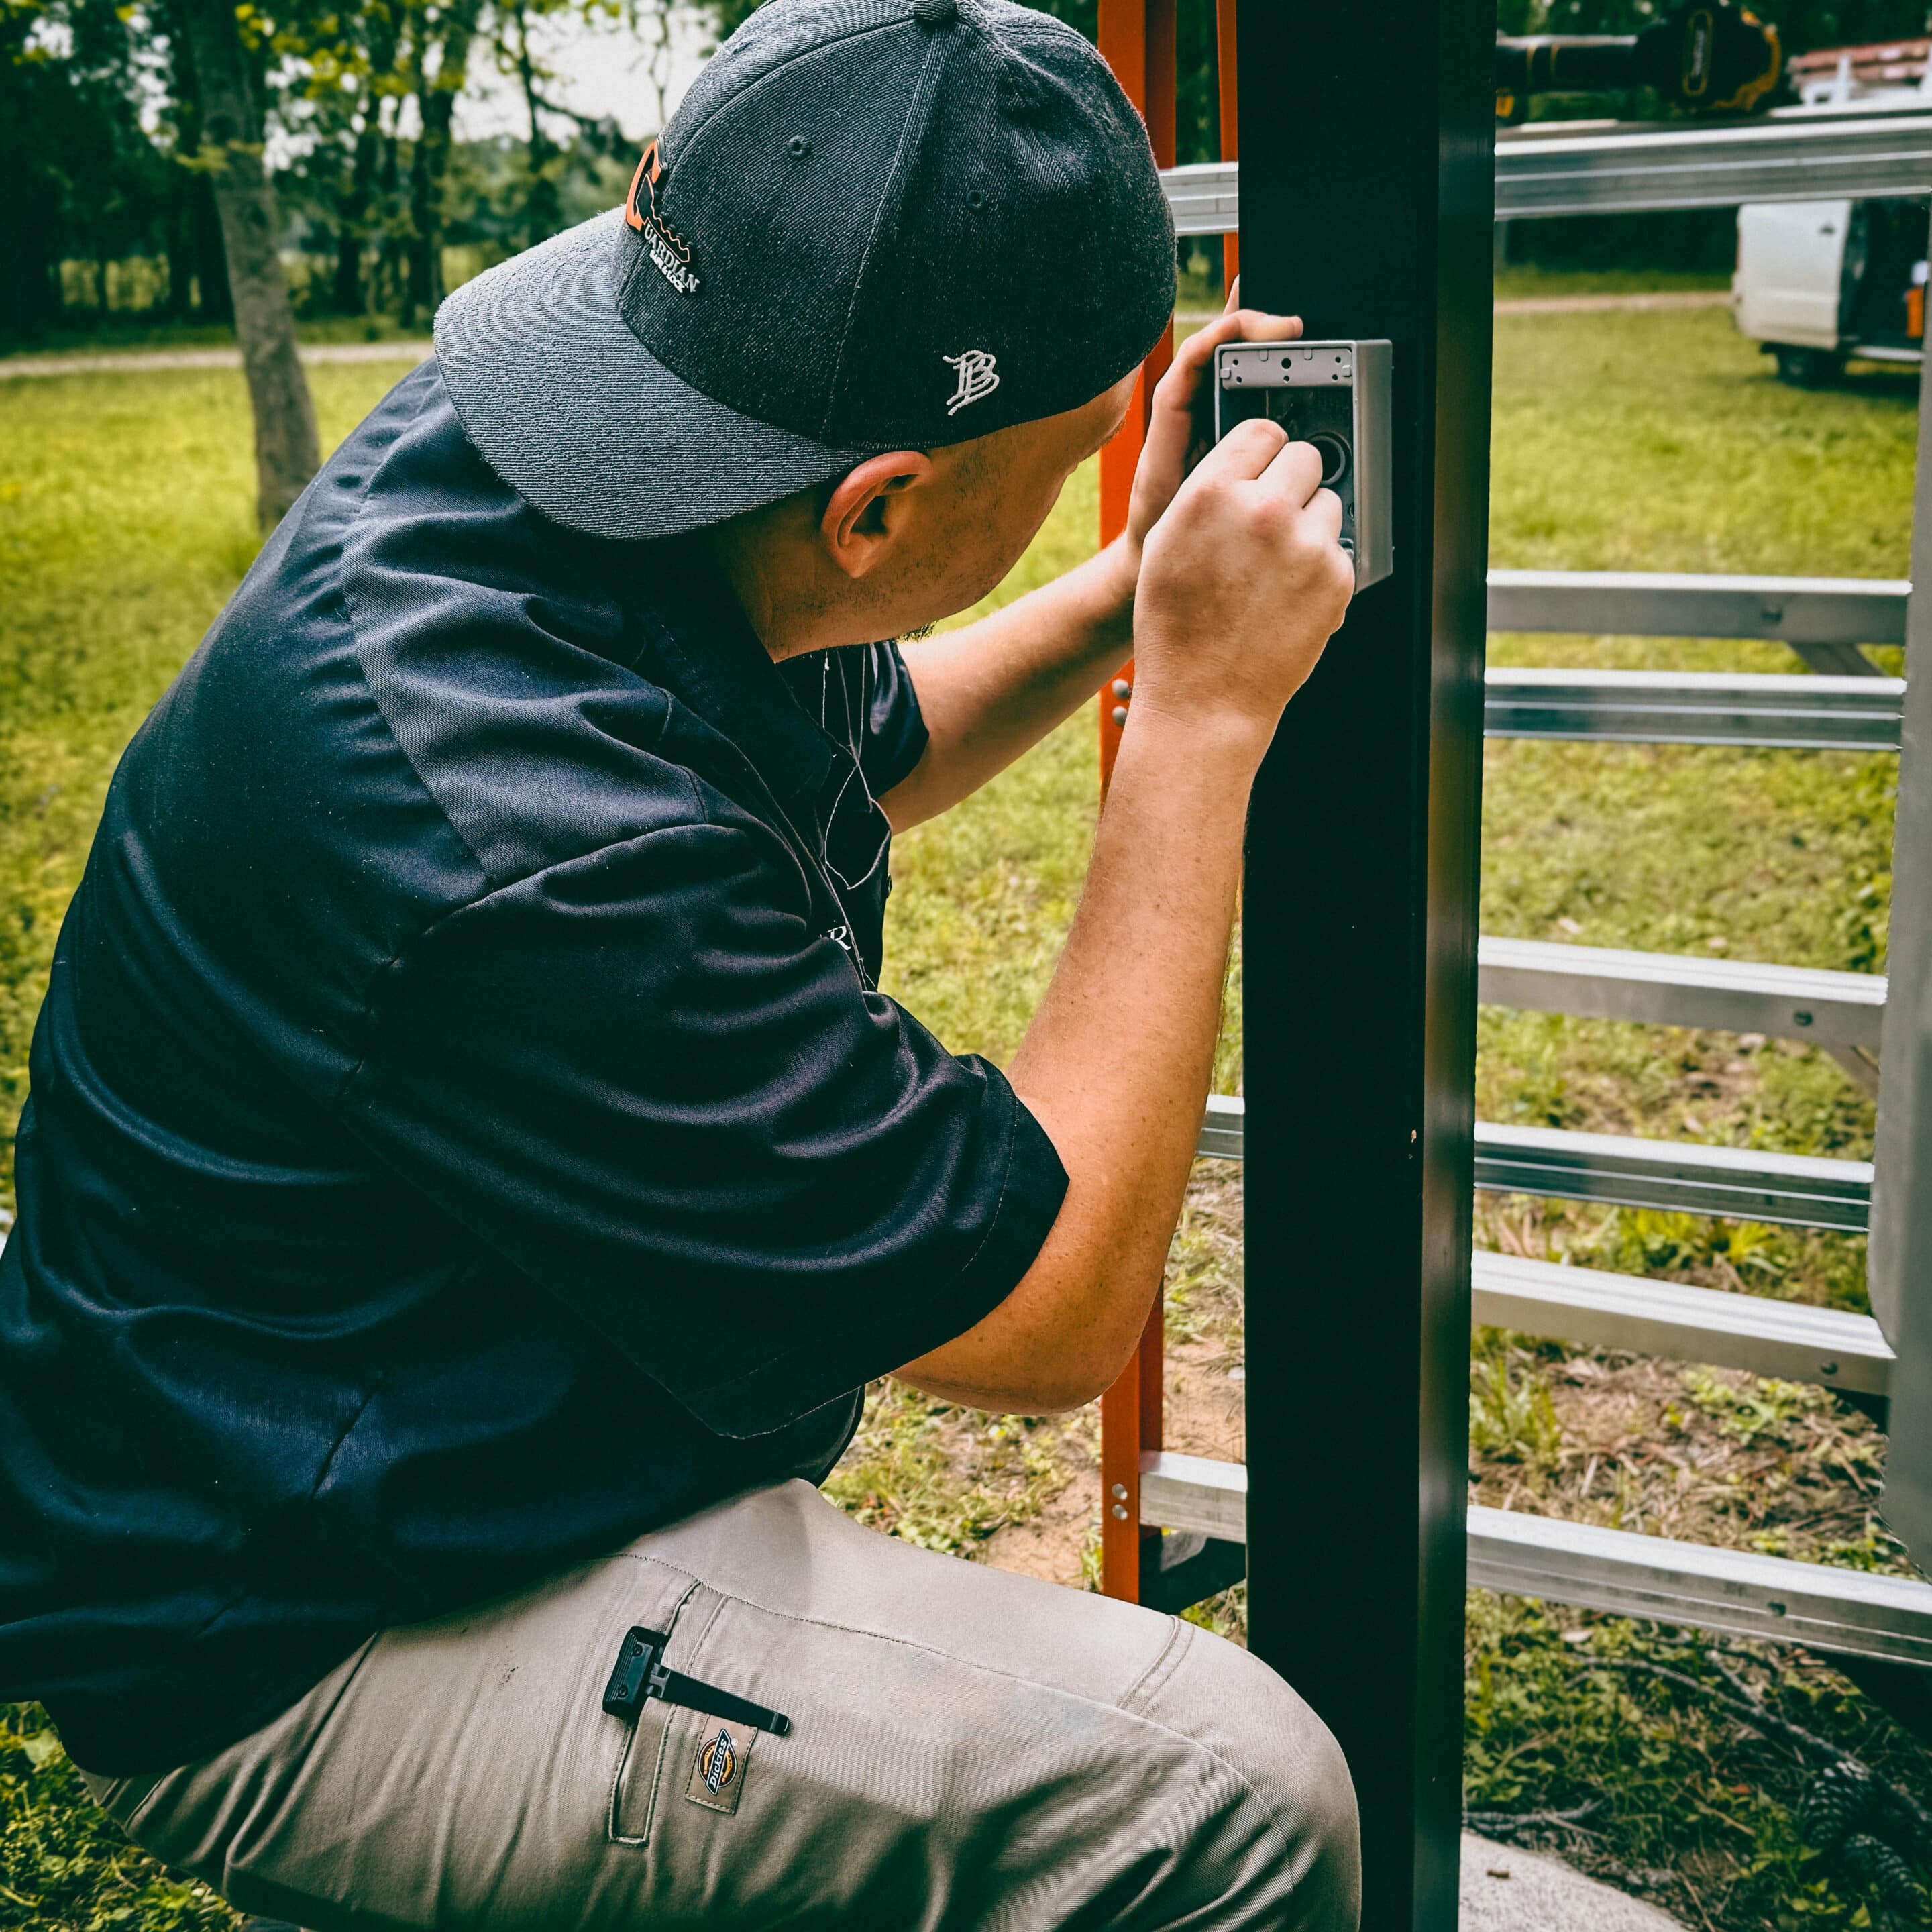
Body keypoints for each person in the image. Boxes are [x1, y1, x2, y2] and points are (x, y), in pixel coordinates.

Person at [0, 0, 1360, 1924]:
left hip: (397, 1436)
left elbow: (870, 750)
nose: (1100, 475)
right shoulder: (521, 836)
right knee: (1236, 1800)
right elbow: (1048, 1315)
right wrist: (1203, 722)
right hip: (300, 1638)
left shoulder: (593, 463)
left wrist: (1127, 592)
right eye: (1078, 458)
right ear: (880, 505)